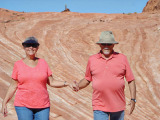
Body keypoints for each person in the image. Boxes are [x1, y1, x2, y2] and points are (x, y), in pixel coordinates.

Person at [1, 37, 71, 120]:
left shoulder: (43, 63)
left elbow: (52, 82)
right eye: (28, 45)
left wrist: (67, 83)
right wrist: (4, 102)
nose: (31, 47)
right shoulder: (18, 65)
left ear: (37, 48)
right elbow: (13, 86)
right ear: (24, 47)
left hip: (43, 106)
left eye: (34, 45)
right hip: (23, 105)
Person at [72, 31, 136, 120]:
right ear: (100, 45)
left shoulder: (122, 58)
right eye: (103, 43)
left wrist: (133, 99)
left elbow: (131, 80)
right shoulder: (92, 59)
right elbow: (87, 79)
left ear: (113, 45)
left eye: (109, 44)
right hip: (99, 105)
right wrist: (78, 86)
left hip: (118, 105)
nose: (106, 46)